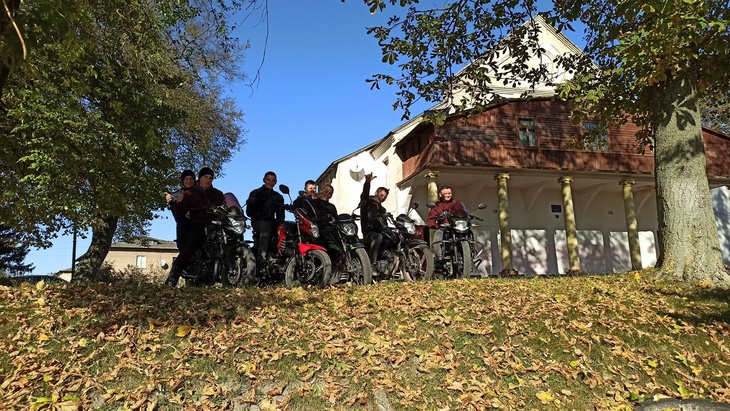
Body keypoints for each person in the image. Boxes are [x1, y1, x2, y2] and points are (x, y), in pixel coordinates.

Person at [165, 167, 226, 286]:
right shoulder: (190, 193)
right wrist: (178, 203)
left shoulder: (218, 194)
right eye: (205, 177)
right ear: (200, 179)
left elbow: (225, 205)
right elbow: (180, 214)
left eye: (210, 177)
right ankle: (172, 278)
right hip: (198, 224)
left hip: (216, 224)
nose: (208, 180)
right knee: (189, 247)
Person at [246, 171, 285, 265]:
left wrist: (281, 226)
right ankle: (261, 258)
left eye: (273, 180)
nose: (270, 182)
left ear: (276, 182)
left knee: (287, 228)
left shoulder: (278, 197)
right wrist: (252, 201)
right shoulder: (255, 193)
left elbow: (281, 215)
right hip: (258, 221)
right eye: (268, 180)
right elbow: (249, 213)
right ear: (264, 180)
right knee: (265, 227)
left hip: (272, 222)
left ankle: (283, 258)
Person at [359, 173, 389, 268]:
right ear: (376, 193)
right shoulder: (368, 201)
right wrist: (367, 182)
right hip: (369, 233)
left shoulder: (382, 210)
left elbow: (385, 223)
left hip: (381, 232)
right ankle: (372, 264)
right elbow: (364, 194)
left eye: (385, 197)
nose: (383, 198)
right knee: (378, 237)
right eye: (381, 195)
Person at [427, 185, 466, 258]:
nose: (448, 195)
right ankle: (439, 257)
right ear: (440, 194)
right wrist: (437, 225)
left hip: (457, 227)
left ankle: (473, 256)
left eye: (449, 193)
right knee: (437, 236)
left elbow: (464, 213)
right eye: (446, 193)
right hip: (444, 228)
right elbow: (430, 220)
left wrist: (468, 218)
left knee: (471, 234)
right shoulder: (436, 206)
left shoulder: (457, 203)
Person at [165, 169, 196, 251]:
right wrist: (171, 202)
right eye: (186, 179)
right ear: (183, 181)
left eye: (191, 178)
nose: (189, 181)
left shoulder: (200, 192)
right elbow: (176, 214)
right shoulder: (177, 194)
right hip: (184, 226)